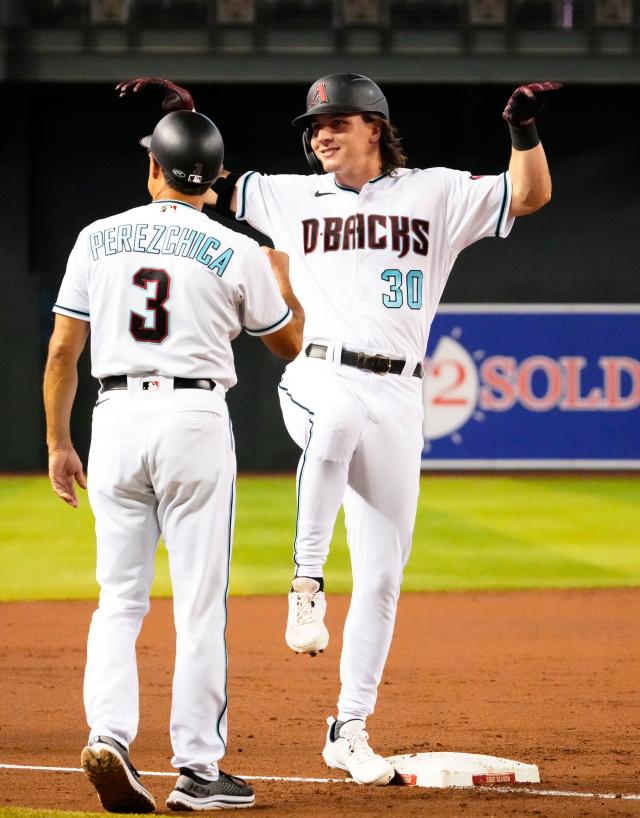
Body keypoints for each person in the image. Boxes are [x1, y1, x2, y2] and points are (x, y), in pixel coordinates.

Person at [117, 74, 559, 786]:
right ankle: (306, 582)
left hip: (401, 392)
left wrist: (524, 129)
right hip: (318, 375)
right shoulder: (286, 194)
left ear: (374, 127)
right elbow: (197, 174)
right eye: (313, 125)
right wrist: (182, 115)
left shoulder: (437, 192)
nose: (319, 133)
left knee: (384, 575)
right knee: (341, 415)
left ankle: (348, 728)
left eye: (335, 121)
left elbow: (528, 194)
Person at [43, 109, 303, 812]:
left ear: (154, 167)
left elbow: (65, 352)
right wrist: (284, 277)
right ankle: (197, 769)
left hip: (115, 418)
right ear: (213, 180)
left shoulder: (96, 237)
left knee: (118, 600)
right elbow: (285, 344)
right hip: (192, 419)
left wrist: (59, 443)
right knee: (198, 604)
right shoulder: (237, 246)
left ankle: (109, 736)